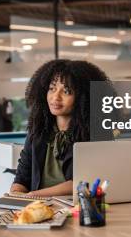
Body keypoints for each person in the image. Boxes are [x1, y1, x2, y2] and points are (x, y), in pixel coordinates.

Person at [10, 59, 112, 197]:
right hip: (38, 207)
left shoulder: (95, 133)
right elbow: (22, 176)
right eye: (52, 89)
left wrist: (33, 195)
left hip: (76, 208)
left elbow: (80, 182)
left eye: (66, 91)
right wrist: (15, 194)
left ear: (83, 97)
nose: (55, 97)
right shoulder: (38, 130)